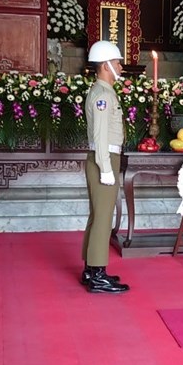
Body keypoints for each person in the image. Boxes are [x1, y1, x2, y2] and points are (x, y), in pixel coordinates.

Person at [79, 41, 129, 294]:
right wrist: (106, 168)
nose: (120, 66)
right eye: (117, 62)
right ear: (106, 65)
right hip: (104, 158)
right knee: (103, 217)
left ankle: (91, 269)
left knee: (98, 215)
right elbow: (100, 136)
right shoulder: (103, 95)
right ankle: (97, 273)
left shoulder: (103, 92)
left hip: (103, 157)